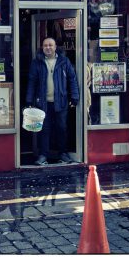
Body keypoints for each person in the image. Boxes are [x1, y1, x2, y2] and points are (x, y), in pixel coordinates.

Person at [25, 37, 79, 165]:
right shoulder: (36, 62)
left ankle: (63, 154)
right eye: (45, 45)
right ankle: (43, 155)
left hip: (61, 101)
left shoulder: (64, 61)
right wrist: (29, 100)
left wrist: (75, 97)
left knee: (62, 128)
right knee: (44, 129)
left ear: (55, 47)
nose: (48, 47)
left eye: (50, 45)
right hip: (42, 103)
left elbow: (72, 79)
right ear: (42, 48)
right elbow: (32, 82)